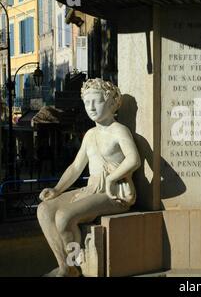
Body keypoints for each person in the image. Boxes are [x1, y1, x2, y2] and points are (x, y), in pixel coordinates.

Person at [37, 78, 141, 277]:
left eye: (97, 101)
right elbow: (76, 166)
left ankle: (74, 263)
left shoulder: (118, 130)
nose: (90, 107)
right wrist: (57, 189)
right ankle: (66, 266)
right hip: (92, 188)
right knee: (44, 210)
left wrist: (112, 178)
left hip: (114, 192)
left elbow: (134, 159)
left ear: (111, 103)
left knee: (64, 216)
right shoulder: (90, 134)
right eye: (87, 102)